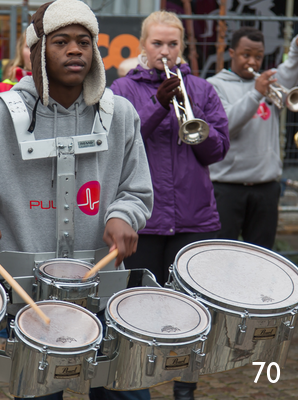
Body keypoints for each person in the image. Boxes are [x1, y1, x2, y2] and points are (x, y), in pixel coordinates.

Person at [0, 1, 153, 399]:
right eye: (61, 42)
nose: (75, 50)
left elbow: (137, 190)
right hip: (30, 302)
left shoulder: (122, 115)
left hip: (103, 293)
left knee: (124, 392)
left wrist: (125, 214)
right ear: (39, 51)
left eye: (84, 41)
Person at [110, 10, 229, 400]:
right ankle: (136, 382)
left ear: (182, 46)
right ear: (143, 44)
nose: (165, 51)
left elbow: (217, 151)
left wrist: (200, 130)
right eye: (157, 43)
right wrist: (159, 105)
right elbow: (118, 144)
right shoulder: (124, 90)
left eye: (172, 44)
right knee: (140, 307)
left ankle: (186, 386)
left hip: (195, 217)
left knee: (194, 310)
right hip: (145, 219)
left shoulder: (203, 90)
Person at [207, 27, 298, 250]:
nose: (253, 62)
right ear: (232, 53)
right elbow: (226, 126)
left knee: (262, 256)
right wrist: (256, 94)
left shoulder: (269, 82)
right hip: (227, 187)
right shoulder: (215, 85)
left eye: (258, 57)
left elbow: (290, 68)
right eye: (246, 55)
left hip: (266, 187)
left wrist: (295, 46)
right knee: (221, 253)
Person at [0, 31, 32, 102]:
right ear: (20, 50)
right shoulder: (0, 90)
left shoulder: (54, 88)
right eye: (29, 46)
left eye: (41, 46)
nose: (35, 51)